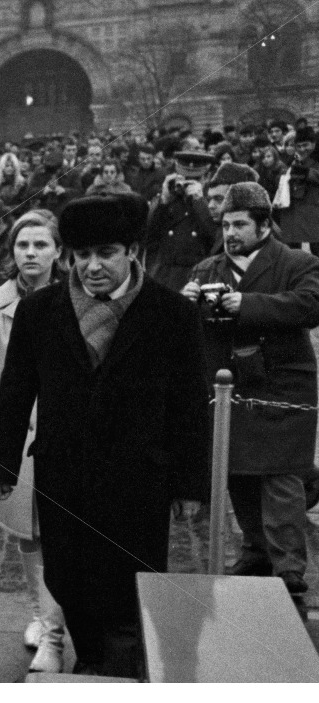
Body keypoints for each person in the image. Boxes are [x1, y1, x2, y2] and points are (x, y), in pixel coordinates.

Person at [0, 193, 211, 677]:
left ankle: (120, 670)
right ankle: (90, 659)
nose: (92, 267)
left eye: (105, 253)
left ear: (132, 250)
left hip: (139, 479)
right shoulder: (41, 311)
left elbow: (190, 405)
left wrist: (191, 483)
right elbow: (16, 390)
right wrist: (2, 461)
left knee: (130, 587)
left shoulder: (170, 313)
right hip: (63, 475)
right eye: (81, 255)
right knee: (70, 581)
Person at [183, 182, 319, 596]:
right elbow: (186, 329)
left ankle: (289, 566)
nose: (229, 232)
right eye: (225, 224)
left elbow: (310, 305)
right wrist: (184, 304)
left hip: (282, 385)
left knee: (280, 476)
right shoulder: (207, 270)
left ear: (264, 225)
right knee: (238, 473)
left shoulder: (296, 262)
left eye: (239, 224)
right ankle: (255, 549)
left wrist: (249, 304)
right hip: (228, 385)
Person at [0, 209, 67, 673]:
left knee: (63, 531)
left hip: (66, 430)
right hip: (11, 431)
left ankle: (57, 636)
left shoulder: (77, 297)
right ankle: (42, 618)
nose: (31, 253)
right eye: (23, 245)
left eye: (41, 245)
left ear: (58, 251)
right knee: (25, 531)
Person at [144, 150, 216, 290]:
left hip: (196, 275)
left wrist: (199, 202)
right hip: (167, 275)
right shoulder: (167, 201)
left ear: (206, 178)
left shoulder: (210, 202)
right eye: (184, 179)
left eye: (195, 180)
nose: (187, 185)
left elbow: (214, 236)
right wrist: (163, 200)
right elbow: (149, 235)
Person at [272, 127, 319, 254]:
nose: (303, 149)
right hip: (295, 209)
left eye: (306, 145)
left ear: (313, 143)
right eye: (299, 146)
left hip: (314, 209)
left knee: (316, 247)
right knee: (293, 248)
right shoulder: (293, 161)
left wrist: (305, 172)